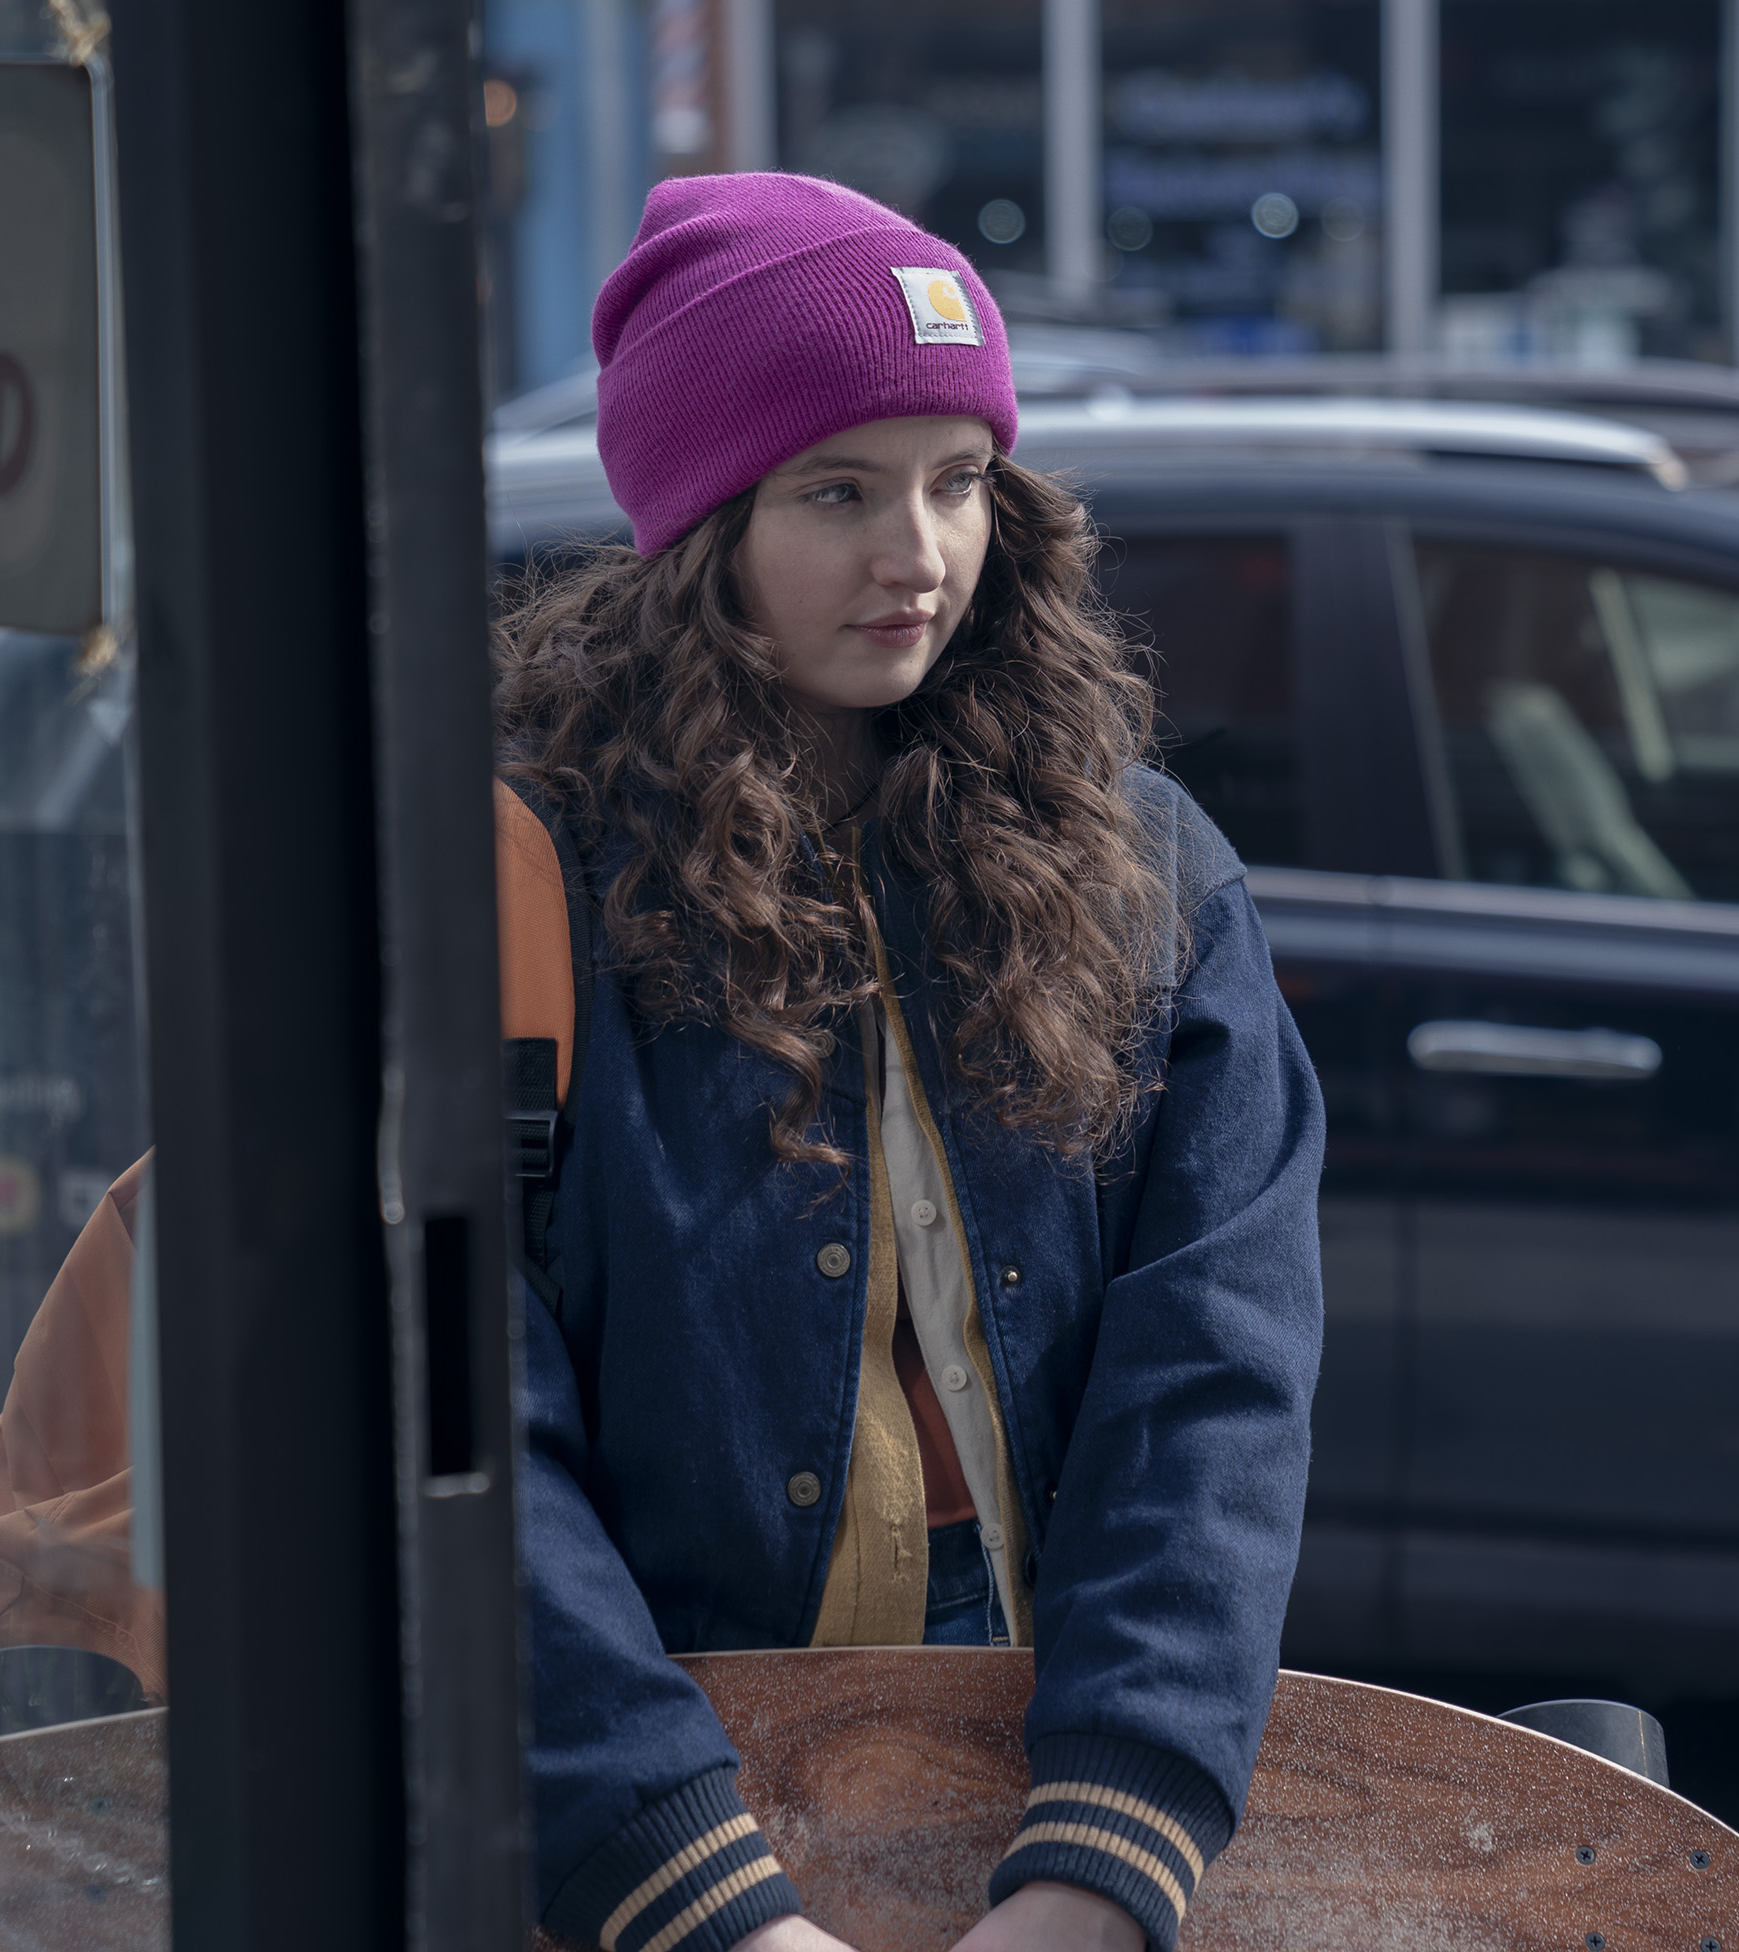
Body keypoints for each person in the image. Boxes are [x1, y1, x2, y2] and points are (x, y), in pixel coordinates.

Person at [499, 174, 1323, 1952]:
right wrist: (687, 1881)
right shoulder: (520, 878)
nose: (920, 554)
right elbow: (467, 1435)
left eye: (959, 480)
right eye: (839, 490)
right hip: (639, 1810)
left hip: (1038, 1767)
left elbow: (1217, 1382)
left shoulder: (1148, 873)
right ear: (699, 521)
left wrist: (1110, 1850)